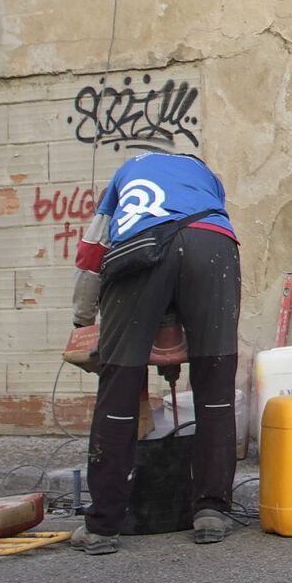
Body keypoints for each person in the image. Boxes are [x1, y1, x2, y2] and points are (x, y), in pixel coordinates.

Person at [68, 150, 241, 555]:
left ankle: (103, 526)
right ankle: (211, 512)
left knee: (119, 388)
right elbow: (198, 233)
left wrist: (83, 318)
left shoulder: (126, 173)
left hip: (139, 250)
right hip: (213, 246)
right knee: (215, 386)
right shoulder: (207, 180)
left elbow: (93, 251)